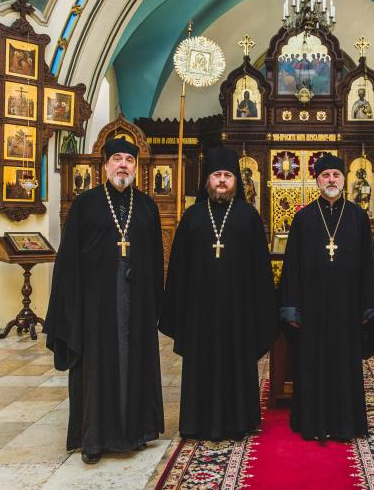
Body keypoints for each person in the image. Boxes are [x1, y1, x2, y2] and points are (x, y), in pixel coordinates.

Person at [44, 137, 165, 464]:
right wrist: (69, 310)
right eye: (117, 159)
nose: (123, 164)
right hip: (95, 308)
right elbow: (68, 262)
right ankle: (93, 439)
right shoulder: (86, 205)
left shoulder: (147, 207)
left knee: (134, 365)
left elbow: (156, 261)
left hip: (136, 306)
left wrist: (156, 305)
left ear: (136, 167)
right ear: (105, 165)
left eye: (129, 159)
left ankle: (136, 432)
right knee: (95, 371)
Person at [160, 146, 278, 440]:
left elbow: (261, 271)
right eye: (216, 175)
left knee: (237, 364)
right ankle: (197, 423)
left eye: (227, 175)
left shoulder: (249, 217)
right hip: (199, 312)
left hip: (239, 311)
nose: (222, 180)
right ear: (207, 181)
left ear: (236, 180)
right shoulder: (191, 217)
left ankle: (240, 421)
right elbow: (178, 270)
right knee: (201, 365)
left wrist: (260, 311)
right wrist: (179, 312)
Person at [279, 154, 374, 441]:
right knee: (311, 363)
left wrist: (369, 308)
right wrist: (292, 309)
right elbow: (292, 266)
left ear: (343, 180)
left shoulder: (358, 217)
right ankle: (312, 421)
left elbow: (368, 265)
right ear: (317, 181)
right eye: (325, 175)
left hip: (347, 308)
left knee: (344, 364)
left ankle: (344, 423)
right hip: (312, 307)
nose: (331, 180)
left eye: (336, 175)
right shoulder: (303, 218)